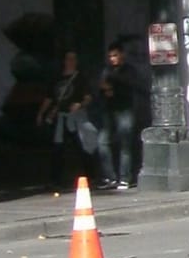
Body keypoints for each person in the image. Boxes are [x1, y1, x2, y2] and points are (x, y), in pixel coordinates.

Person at [37, 49, 97, 193]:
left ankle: (91, 177)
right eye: (68, 59)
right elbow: (49, 98)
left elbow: (88, 97)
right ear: (64, 61)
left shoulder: (80, 78)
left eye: (73, 59)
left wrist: (80, 105)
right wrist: (40, 113)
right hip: (61, 117)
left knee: (83, 147)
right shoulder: (57, 78)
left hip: (76, 118)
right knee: (58, 150)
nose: (71, 62)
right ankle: (55, 180)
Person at [101, 40, 144, 189]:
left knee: (125, 144)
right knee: (103, 143)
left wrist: (114, 81)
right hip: (110, 110)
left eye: (115, 55)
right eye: (110, 56)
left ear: (121, 55)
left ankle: (125, 177)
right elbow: (102, 88)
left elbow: (133, 84)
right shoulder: (107, 71)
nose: (112, 59)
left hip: (125, 109)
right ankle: (110, 177)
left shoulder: (128, 70)